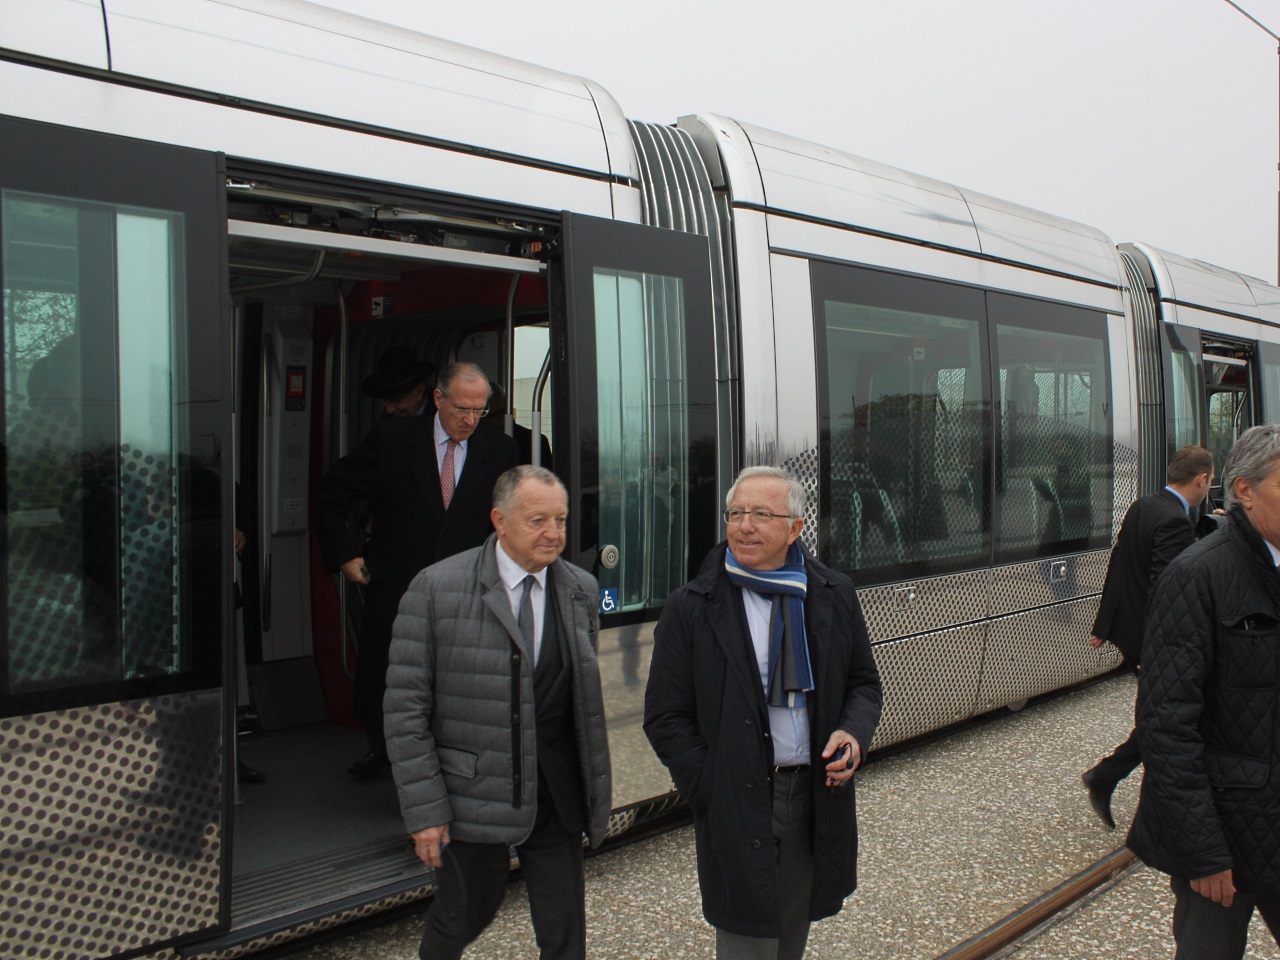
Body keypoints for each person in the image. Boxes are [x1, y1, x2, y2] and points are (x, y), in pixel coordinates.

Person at [644, 466, 883, 960]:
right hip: (735, 792)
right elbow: (665, 715)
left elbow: (863, 683)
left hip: (811, 793)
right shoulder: (691, 607)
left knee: (791, 933)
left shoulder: (833, 595)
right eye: (736, 514)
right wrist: (707, 783)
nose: (745, 525)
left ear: (795, 528)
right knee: (744, 937)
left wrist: (853, 733)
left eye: (761, 514)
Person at [384, 465, 611, 960]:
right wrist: (425, 813)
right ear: (499, 521)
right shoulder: (434, 589)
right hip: (472, 796)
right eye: (537, 521)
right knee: (462, 916)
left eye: (561, 520)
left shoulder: (580, 590)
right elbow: (405, 710)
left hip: (556, 793)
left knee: (564, 932)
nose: (554, 534)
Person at [317, 362, 518, 780]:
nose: (469, 420)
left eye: (479, 411)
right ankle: (384, 752)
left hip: (465, 591)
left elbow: (506, 522)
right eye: (462, 408)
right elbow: (334, 490)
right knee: (388, 676)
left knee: (453, 684)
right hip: (397, 584)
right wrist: (345, 555)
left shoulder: (499, 450)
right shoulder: (393, 440)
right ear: (438, 399)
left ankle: (448, 765)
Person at [1127, 424, 1280, 959]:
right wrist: (1203, 852)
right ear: (1245, 490)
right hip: (1225, 842)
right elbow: (1167, 726)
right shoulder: (1196, 575)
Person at [1081, 444, 1214, 829]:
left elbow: (1119, 563)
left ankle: (1110, 779)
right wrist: (1162, 648)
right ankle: (1110, 779)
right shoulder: (1175, 520)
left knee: (1160, 716)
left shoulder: (1144, 505)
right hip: (1153, 640)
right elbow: (1165, 589)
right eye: (1209, 483)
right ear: (1202, 479)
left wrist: (1103, 626)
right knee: (1169, 719)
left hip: (1129, 631)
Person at [484, 381, 553, 469]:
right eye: (485, 416)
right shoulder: (471, 445)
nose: (493, 422)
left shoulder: (534, 443)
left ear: (508, 410)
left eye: (499, 414)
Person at [363, 346, 434, 417]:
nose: (389, 409)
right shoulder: (384, 423)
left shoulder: (442, 419)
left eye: (396, 401)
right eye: (384, 401)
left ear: (419, 391)